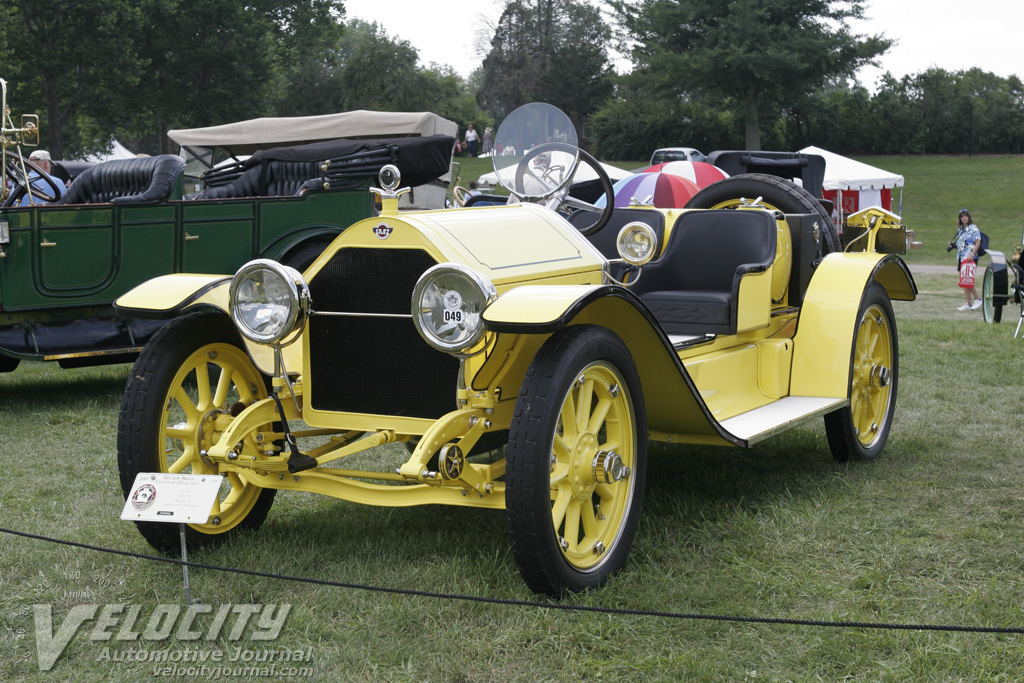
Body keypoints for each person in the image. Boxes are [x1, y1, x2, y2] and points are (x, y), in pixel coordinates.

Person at [951, 208, 982, 311]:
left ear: (969, 217)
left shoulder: (973, 228)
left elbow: (978, 242)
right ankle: (968, 303)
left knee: (967, 279)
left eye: (965, 216)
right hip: (961, 257)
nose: (964, 218)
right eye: (961, 216)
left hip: (970, 257)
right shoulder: (961, 230)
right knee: (963, 280)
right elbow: (962, 244)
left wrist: (972, 254)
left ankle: (978, 299)